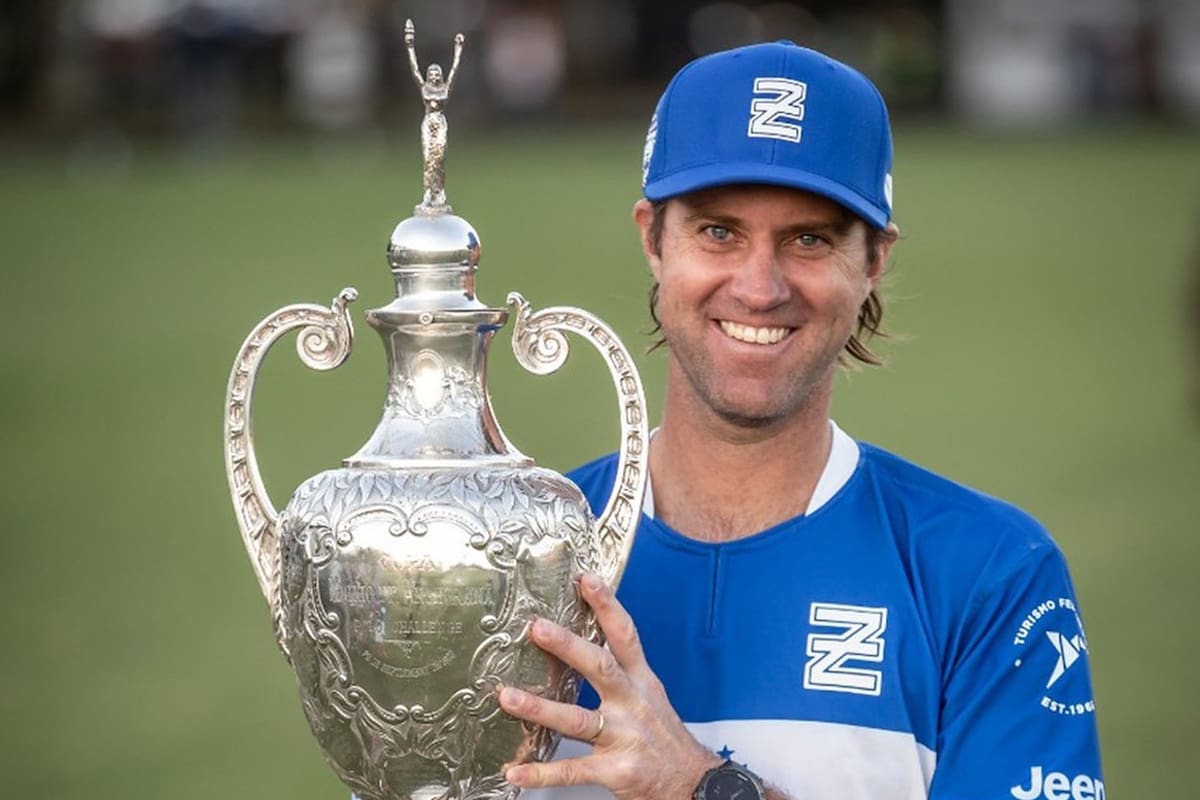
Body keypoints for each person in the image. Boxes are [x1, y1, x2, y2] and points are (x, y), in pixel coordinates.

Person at [496, 41, 1104, 800]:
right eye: (719, 231)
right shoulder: (511, 559)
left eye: (808, 239)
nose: (759, 287)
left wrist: (697, 786)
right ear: (653, 238)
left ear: (873, 259)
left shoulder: (988, 572)